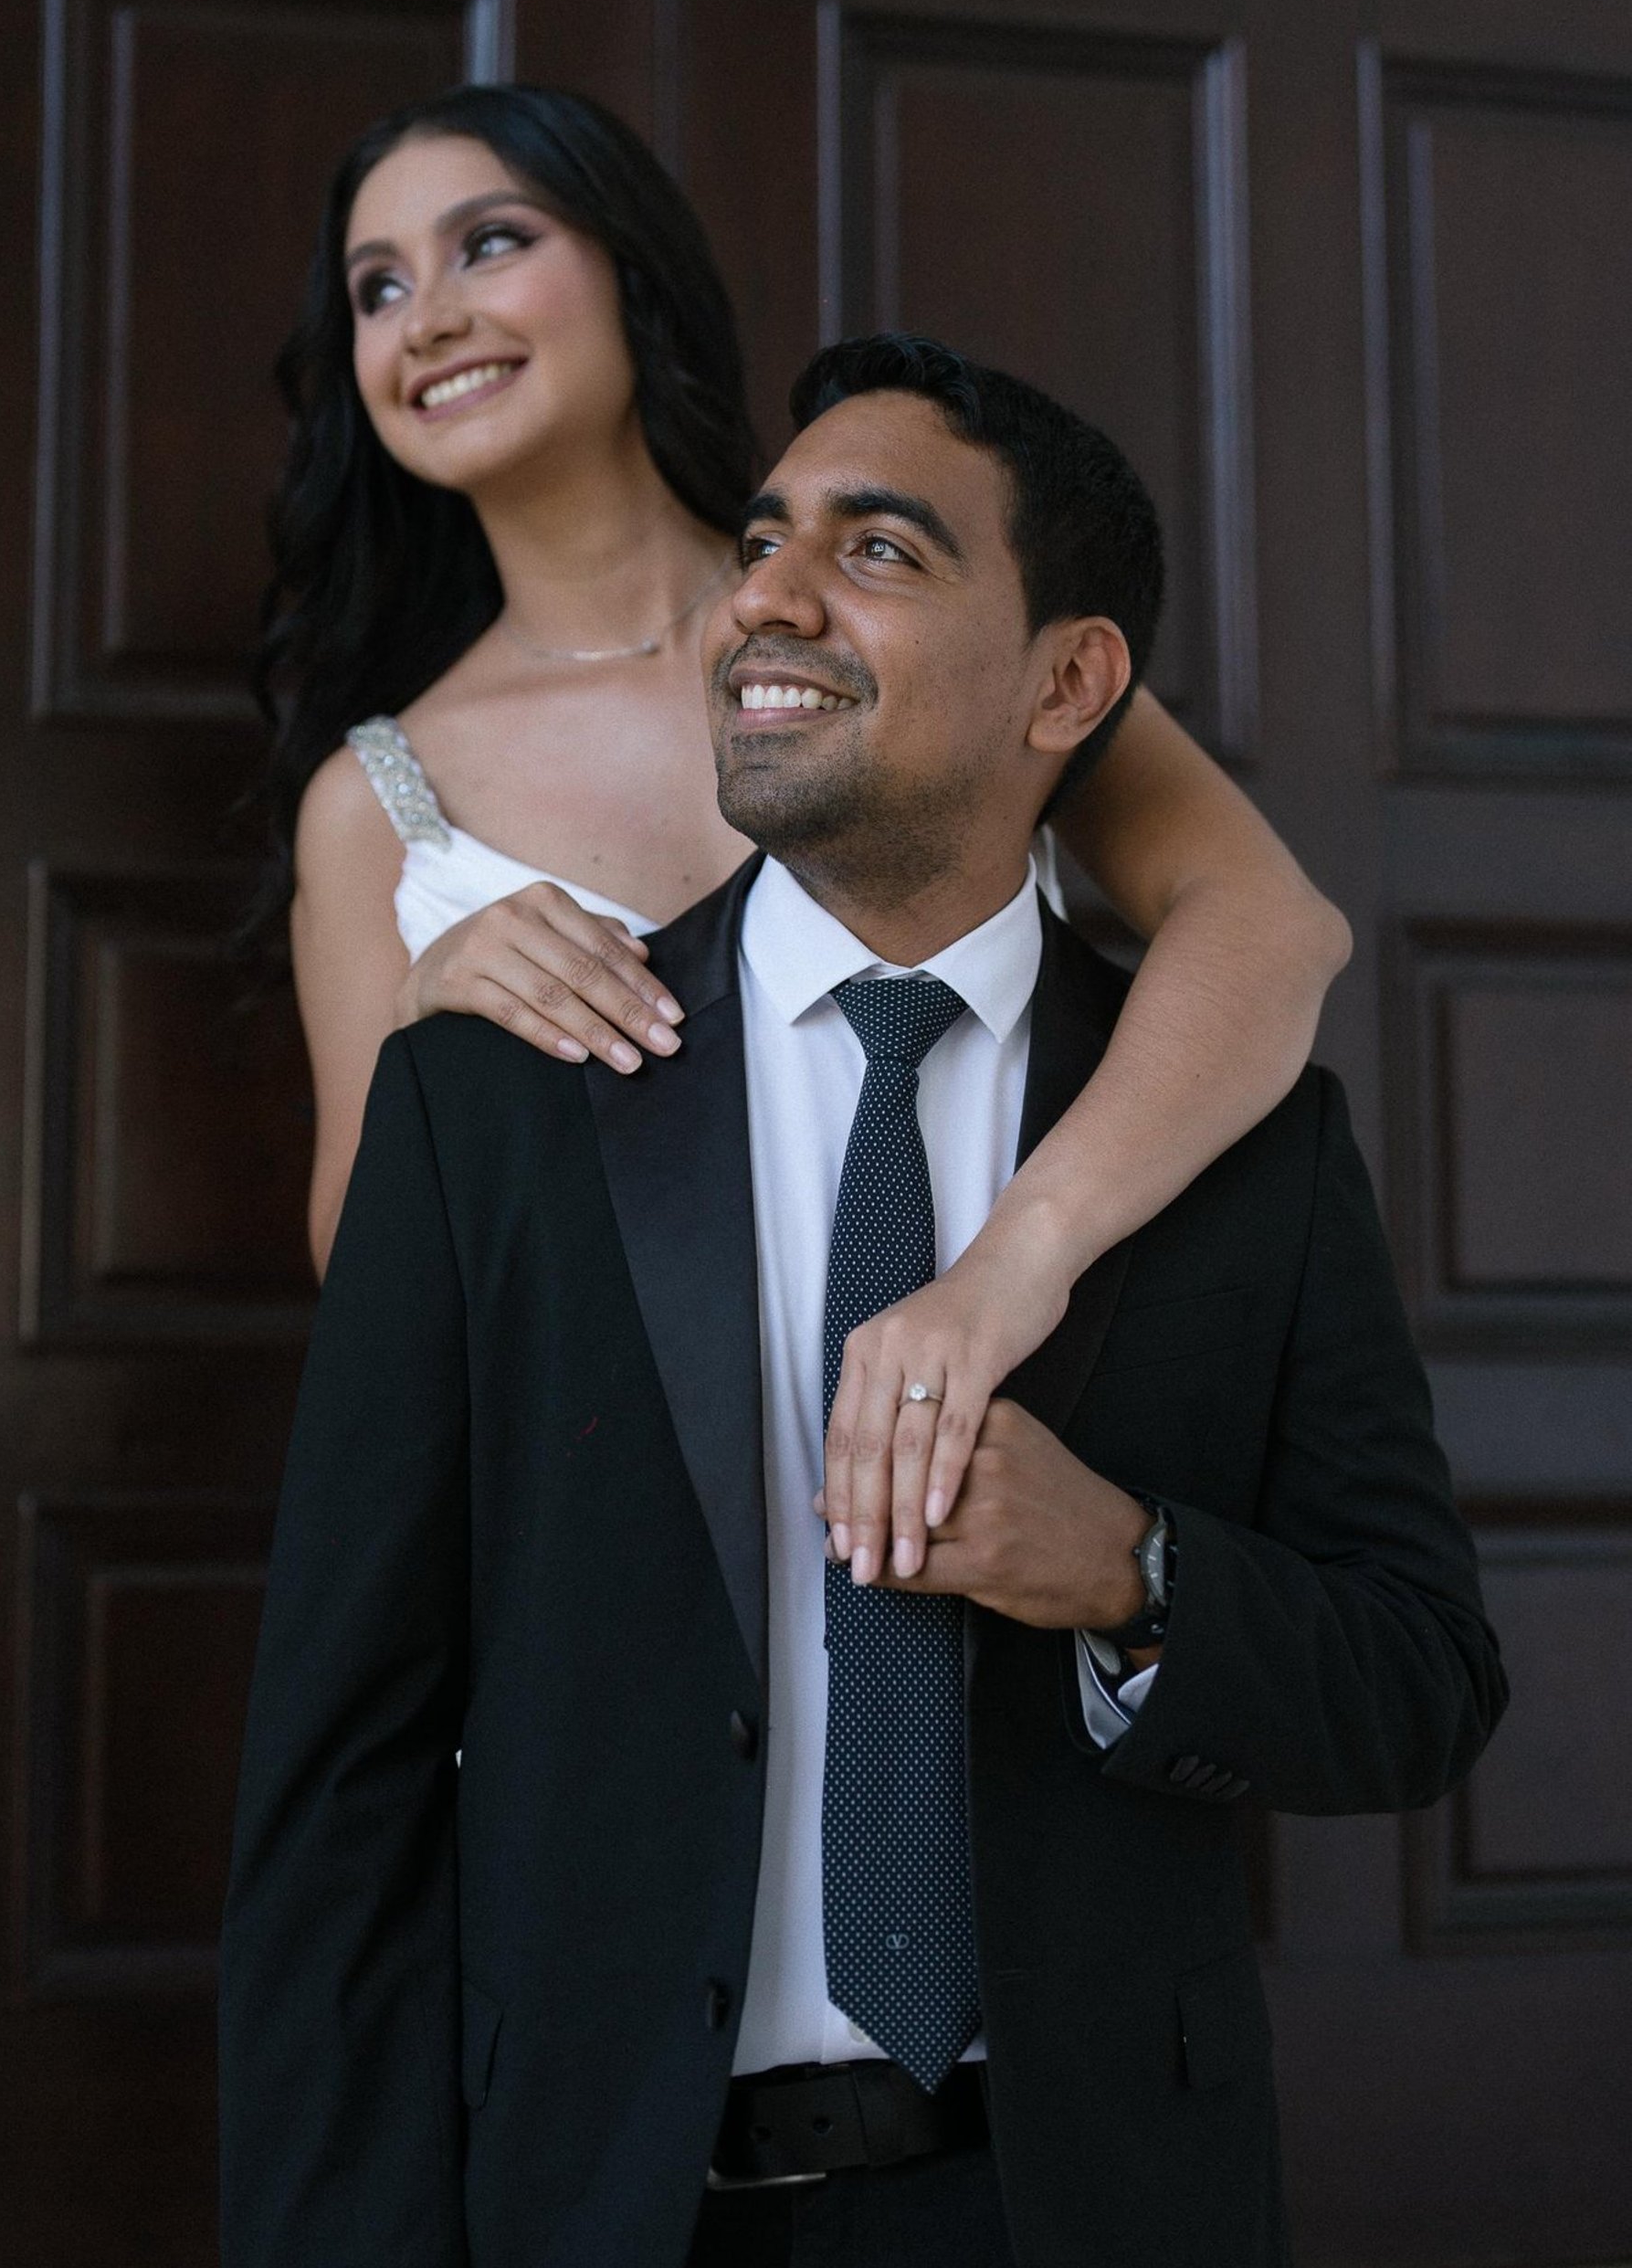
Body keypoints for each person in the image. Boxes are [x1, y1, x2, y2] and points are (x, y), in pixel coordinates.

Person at [221, 335, 1505, 2268]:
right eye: (761, 539)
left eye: (880, 549)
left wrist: (1130, 1574)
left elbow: (1420, 1684)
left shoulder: (1247, 1148)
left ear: (1069, 680)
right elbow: (338, 1775)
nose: (768, 598)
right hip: (602, 2207)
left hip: (1080, 2208)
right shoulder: (494, 1105)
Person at [257, 82, 1352, 1577]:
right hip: (626, 1562)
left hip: (995, 1465)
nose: (427, 315)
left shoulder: (926, 634)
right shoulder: (376, 796)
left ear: (629, 269)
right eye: (377, 287)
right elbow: (360, 1272)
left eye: (487, 244)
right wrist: (420, 1012)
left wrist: (1015, 1267)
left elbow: (1275, 929)